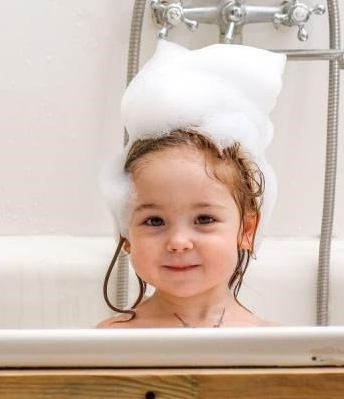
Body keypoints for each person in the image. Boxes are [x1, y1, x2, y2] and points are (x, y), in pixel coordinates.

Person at [97, 39, 286, 328]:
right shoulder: (113, 338)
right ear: (126, 235)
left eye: (204, 219)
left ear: (247, 230)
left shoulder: (270, 341)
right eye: (154, 221)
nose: (178, 242)